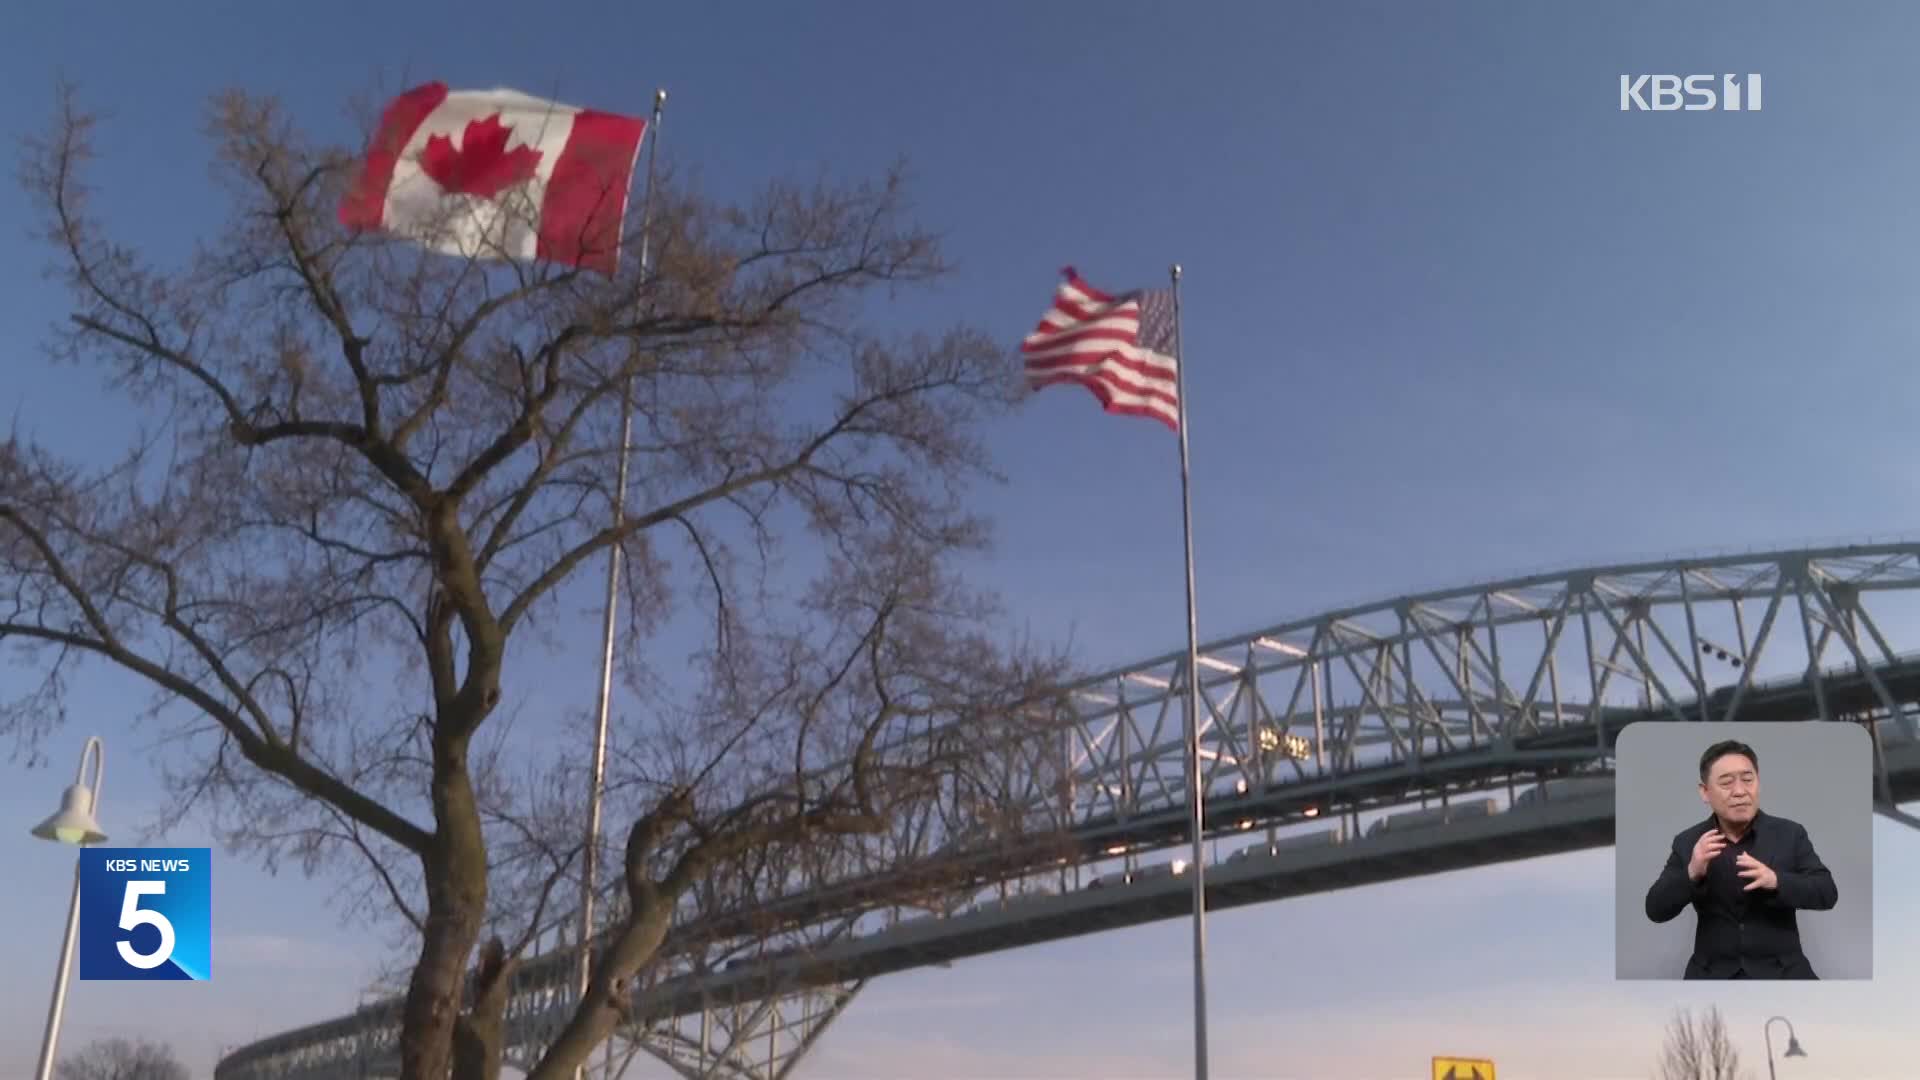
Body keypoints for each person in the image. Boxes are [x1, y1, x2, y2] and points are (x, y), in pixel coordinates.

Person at [1643, 738, 1837, 978]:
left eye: (1748, 780)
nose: (1739, 791)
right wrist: (1692, 872)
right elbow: (1655, 909)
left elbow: (1827, 892)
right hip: (1710, 976)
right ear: (1705, 792)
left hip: (1784, 973)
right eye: (1726, 783)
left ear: (1758, 782)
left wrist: (1776, 880)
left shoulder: (1790, 833)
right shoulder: (1688, 841)